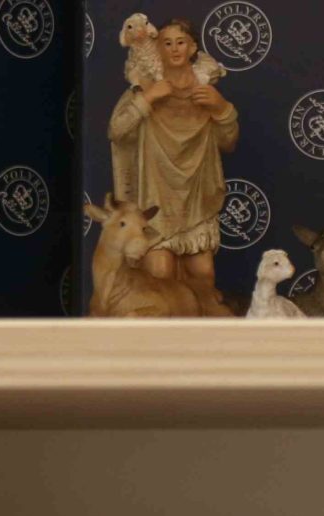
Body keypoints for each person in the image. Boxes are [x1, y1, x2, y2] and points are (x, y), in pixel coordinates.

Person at [108, 17, 239, 311]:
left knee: (203, 274)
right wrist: (148, 99)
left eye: (181, 42)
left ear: (192, 48)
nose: (175, 49)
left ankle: (199, 334)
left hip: (196, 199)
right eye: (167, 43)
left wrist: (222, 108)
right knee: (159, 272)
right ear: (158, 48)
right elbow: (117, 130)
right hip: (157, 200)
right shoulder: (145, 87)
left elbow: (228, 141)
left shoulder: (206, 90)